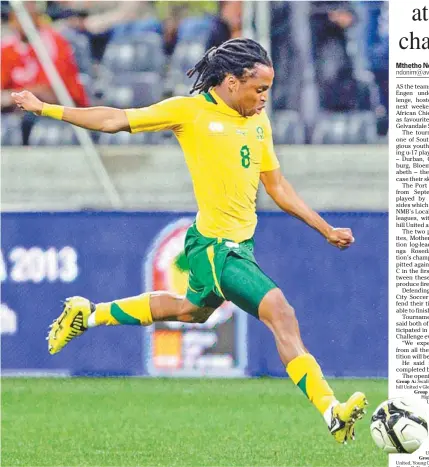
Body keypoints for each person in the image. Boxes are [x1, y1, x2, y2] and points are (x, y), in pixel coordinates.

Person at [12, 38, 367, 444]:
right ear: (232, 82)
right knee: (280, 312)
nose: (265, 98)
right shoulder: (190, 111)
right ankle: (331, 412)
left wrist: (324, 228)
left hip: (234, 245)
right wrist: (46, 109)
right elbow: (114, 120)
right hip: (218, 248)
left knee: (192, 311)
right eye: (260, 89)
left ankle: (89, 314)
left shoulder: (258, 121)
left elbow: (278, 186)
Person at [1, 1, 89, 144]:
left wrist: (11, 98)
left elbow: (51, 94)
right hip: (21, 113)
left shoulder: (54, 43)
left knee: (29, 122)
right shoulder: (7, 47)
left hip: (62, 112)